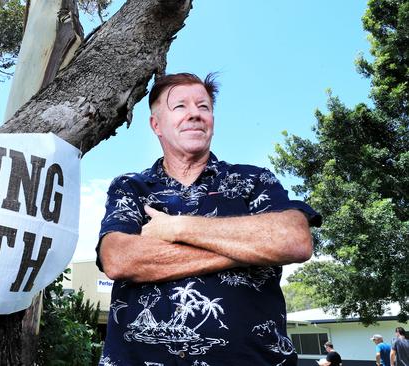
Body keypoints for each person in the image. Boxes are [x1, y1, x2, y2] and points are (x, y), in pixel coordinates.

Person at [96, 72, 322, 365]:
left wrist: (176, 227)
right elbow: (119, 259)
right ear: (156, 125)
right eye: (180, 107)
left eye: (204, 107)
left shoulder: (253, 179)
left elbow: (294, 240)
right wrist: (249, 250)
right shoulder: (131, 188)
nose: (195, 114)